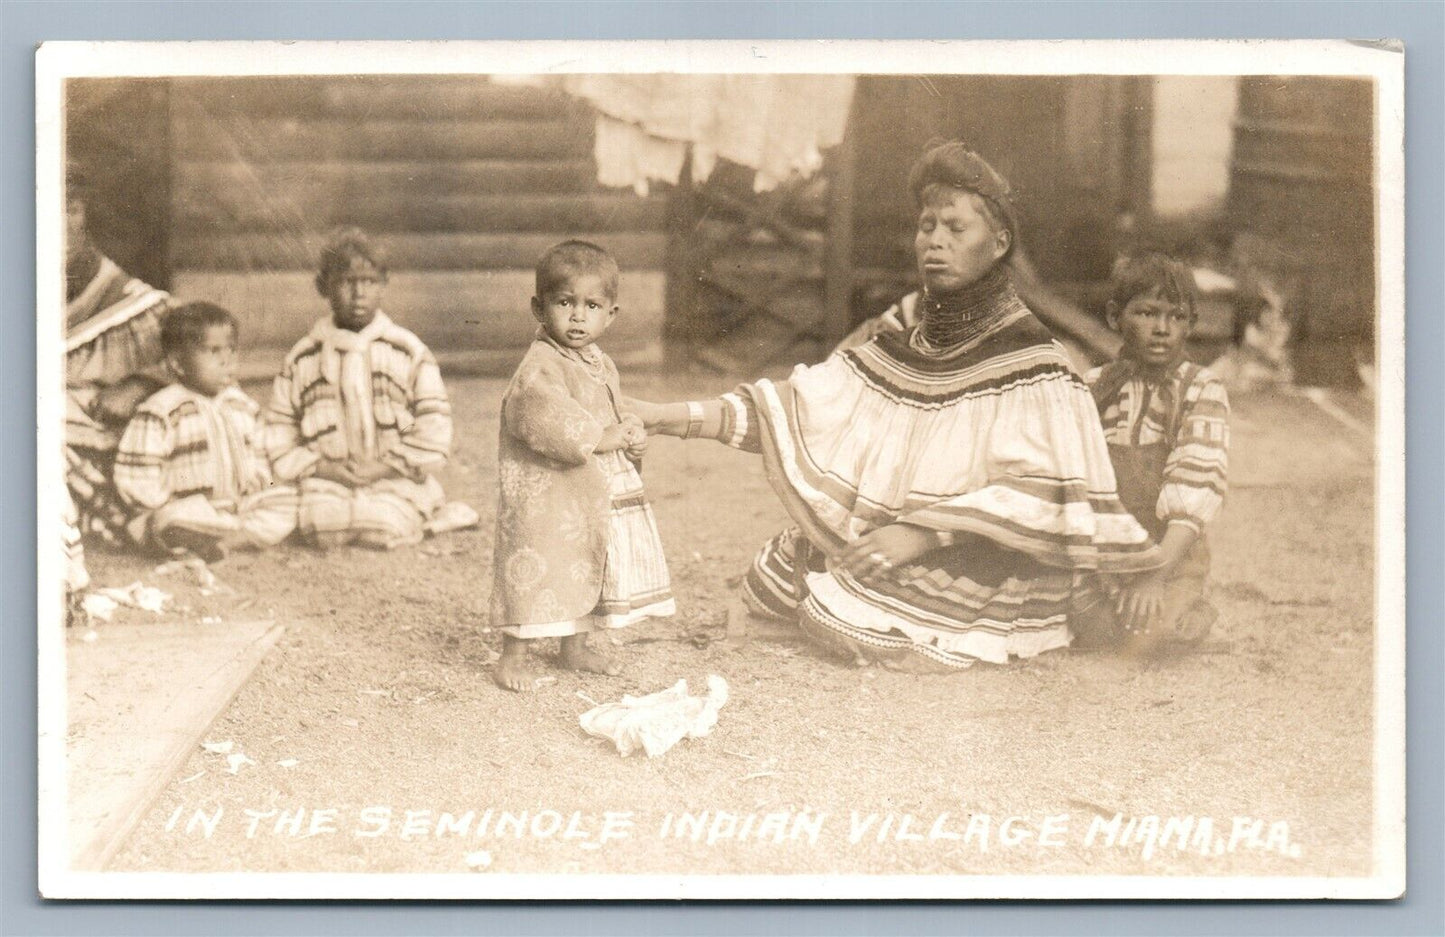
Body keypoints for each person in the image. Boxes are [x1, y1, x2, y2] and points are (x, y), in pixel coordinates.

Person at [628, 142, 1159, 672]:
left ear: (998, 244)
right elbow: (800, 407)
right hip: (920, 546)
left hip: (999, 560)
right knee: (777, 571)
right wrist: (662, 417)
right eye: (927, 226)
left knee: (835, 616)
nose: (936, 243)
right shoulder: (911, 340)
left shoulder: (1036, 362)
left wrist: (921, 534)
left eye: (956, 228)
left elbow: (1041, 492)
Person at [490, 240, 673, 692]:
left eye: (591, 306)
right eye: (564, 302)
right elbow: (539, 413)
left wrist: (628, 435)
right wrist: (599, 437)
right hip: (546, 489)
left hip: (585, 485)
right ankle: (512, 654)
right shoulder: (540, 366)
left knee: (586, 561)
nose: (577, 316)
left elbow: (608, 410)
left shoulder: (599, 363)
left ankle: (574, 645)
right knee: (539, 562)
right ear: (539, 308)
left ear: (610, 314)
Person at [264, 227, 477, 550]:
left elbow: (432, 423)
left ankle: (402, 511)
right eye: (347, 282)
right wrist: (324, 468)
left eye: (369, 282)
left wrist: (383, 467)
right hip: (327, 478)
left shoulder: (406, 351)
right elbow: (280, 429)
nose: (359, 293)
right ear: (325, 287)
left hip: (393, 475)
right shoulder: (304, 357)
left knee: (380, 526)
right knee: (322, 528)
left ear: (383, 284)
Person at [1071, 252, 1229, 652]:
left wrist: (1152, 575)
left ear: (1191, 324)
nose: (1161, 329)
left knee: (1148, 637)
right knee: (1074, 624)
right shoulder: (1094, 385)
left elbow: (1196, 484)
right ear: (1114, 317)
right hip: (1104, 554)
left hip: (1169, 557)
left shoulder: (1200, 388)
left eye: (1176, 317)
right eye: (1145, 313)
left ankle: (1189, 609)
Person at [113, 302, 297, 562]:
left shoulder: (241, 405)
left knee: (286, 503)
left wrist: (258, 479)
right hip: (188, 508)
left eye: (231, 350)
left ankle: (227, 542)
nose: (227, 360)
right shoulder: (162, 409)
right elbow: (138, 472)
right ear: (178, 364)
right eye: (213, 351)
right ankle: (191, 537)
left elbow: (257, 451)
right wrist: (161, 503)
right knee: (172, 520)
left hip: (237, 507)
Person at [64, 160, 170, 547]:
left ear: (82, 215)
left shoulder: (122, 298)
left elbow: (192, 356)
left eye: (70, 210)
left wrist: (139, 383)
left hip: (102, 434)